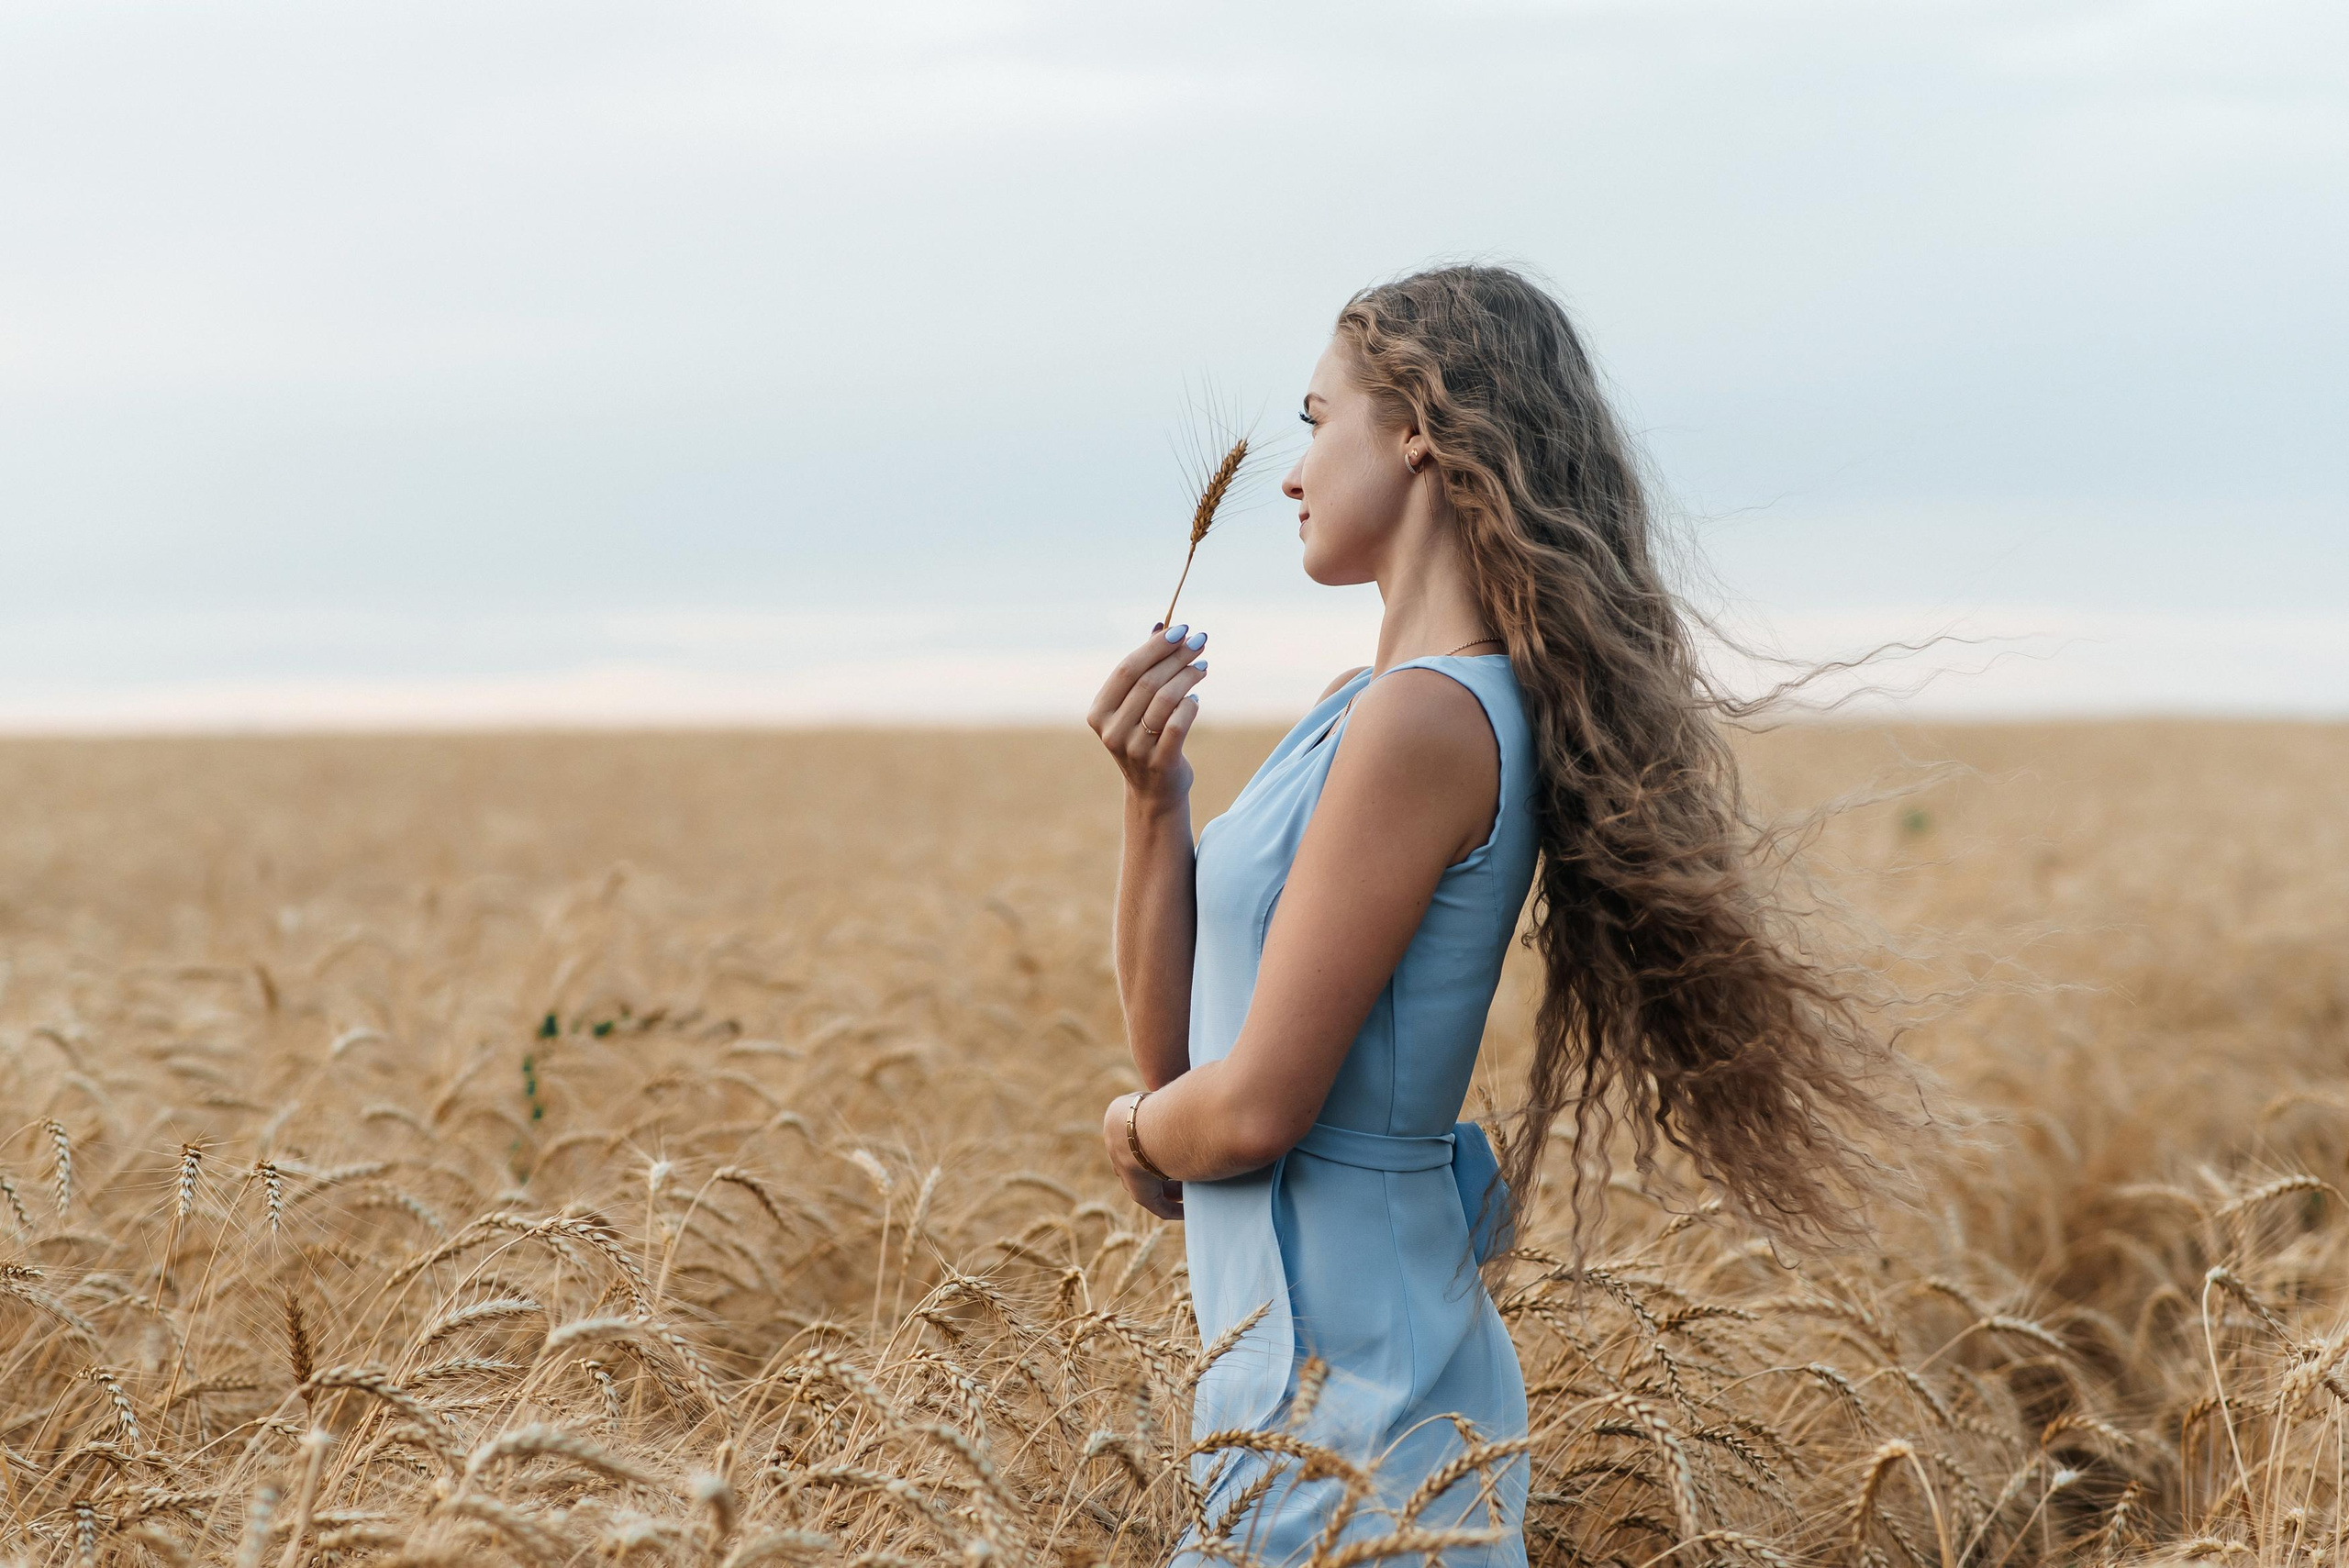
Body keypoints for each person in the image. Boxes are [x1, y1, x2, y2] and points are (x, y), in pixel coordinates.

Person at [1085, 264, 1925, 1565]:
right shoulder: (1354, 711)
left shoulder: (1426, 719)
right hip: (1276, 1395)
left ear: (1417, 423)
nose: (1293, 472)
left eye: (1317, 421)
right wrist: (1154, 801)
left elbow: (1242, 1112)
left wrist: (1135, 1132)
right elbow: (1187, 1067)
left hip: (1359, 1414)